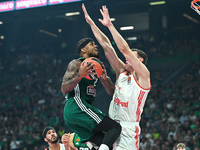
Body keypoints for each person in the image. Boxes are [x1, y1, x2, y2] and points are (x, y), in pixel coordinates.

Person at [82, 4, 151, 150]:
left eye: (133, 56)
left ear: (140, 61)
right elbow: (107, 47)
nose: (127, 59)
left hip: (128, 131)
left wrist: (110, 25)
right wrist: (92, 24)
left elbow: (124, 50)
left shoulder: (143, 77)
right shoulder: (122, 72)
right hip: (111, 127)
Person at [61, 24, 122, 150]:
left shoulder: (96, 67)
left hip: (77, 112)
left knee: (106, 144)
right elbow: (64, 89)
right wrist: (80, 75)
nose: (96, 46)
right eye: (92, 44)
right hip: (77, 105)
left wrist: (104, 79)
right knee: (115, 128)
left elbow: (111, 92)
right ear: (83, 50)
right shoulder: (76, 63)